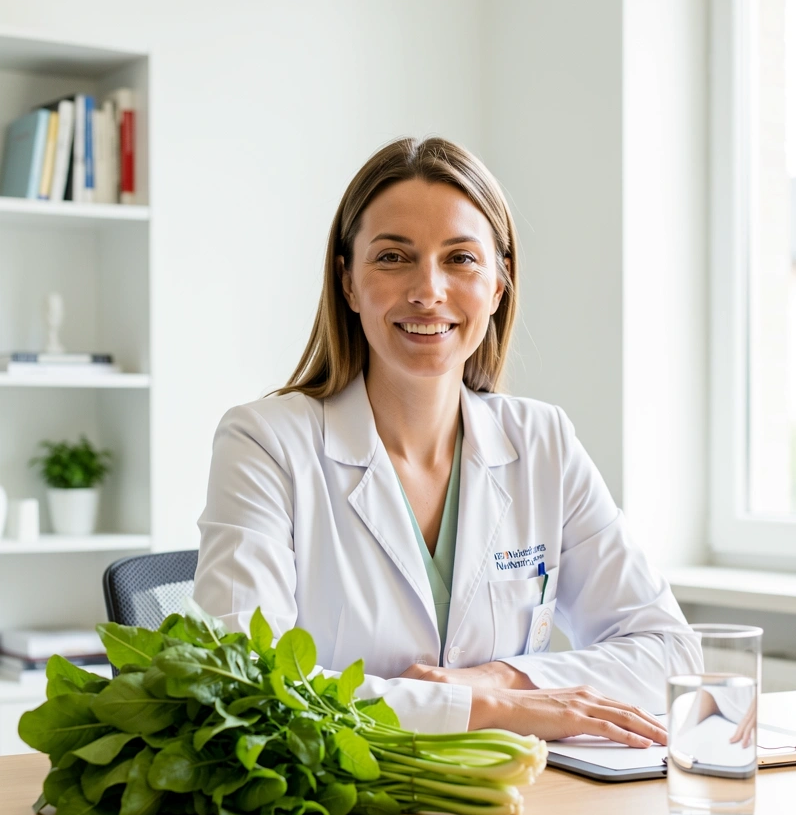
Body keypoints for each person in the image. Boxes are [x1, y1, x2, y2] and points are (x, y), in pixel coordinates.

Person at [193, 136, 701, 744]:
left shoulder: (542, 441)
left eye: (460, 258)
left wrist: (497, 681)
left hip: (510, 804)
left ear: (498, 284)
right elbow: (242, 680)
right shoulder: (265, 443)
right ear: (349, 283)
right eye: (392, 257)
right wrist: (484, 711)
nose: (427, 290)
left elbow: (670, 654)